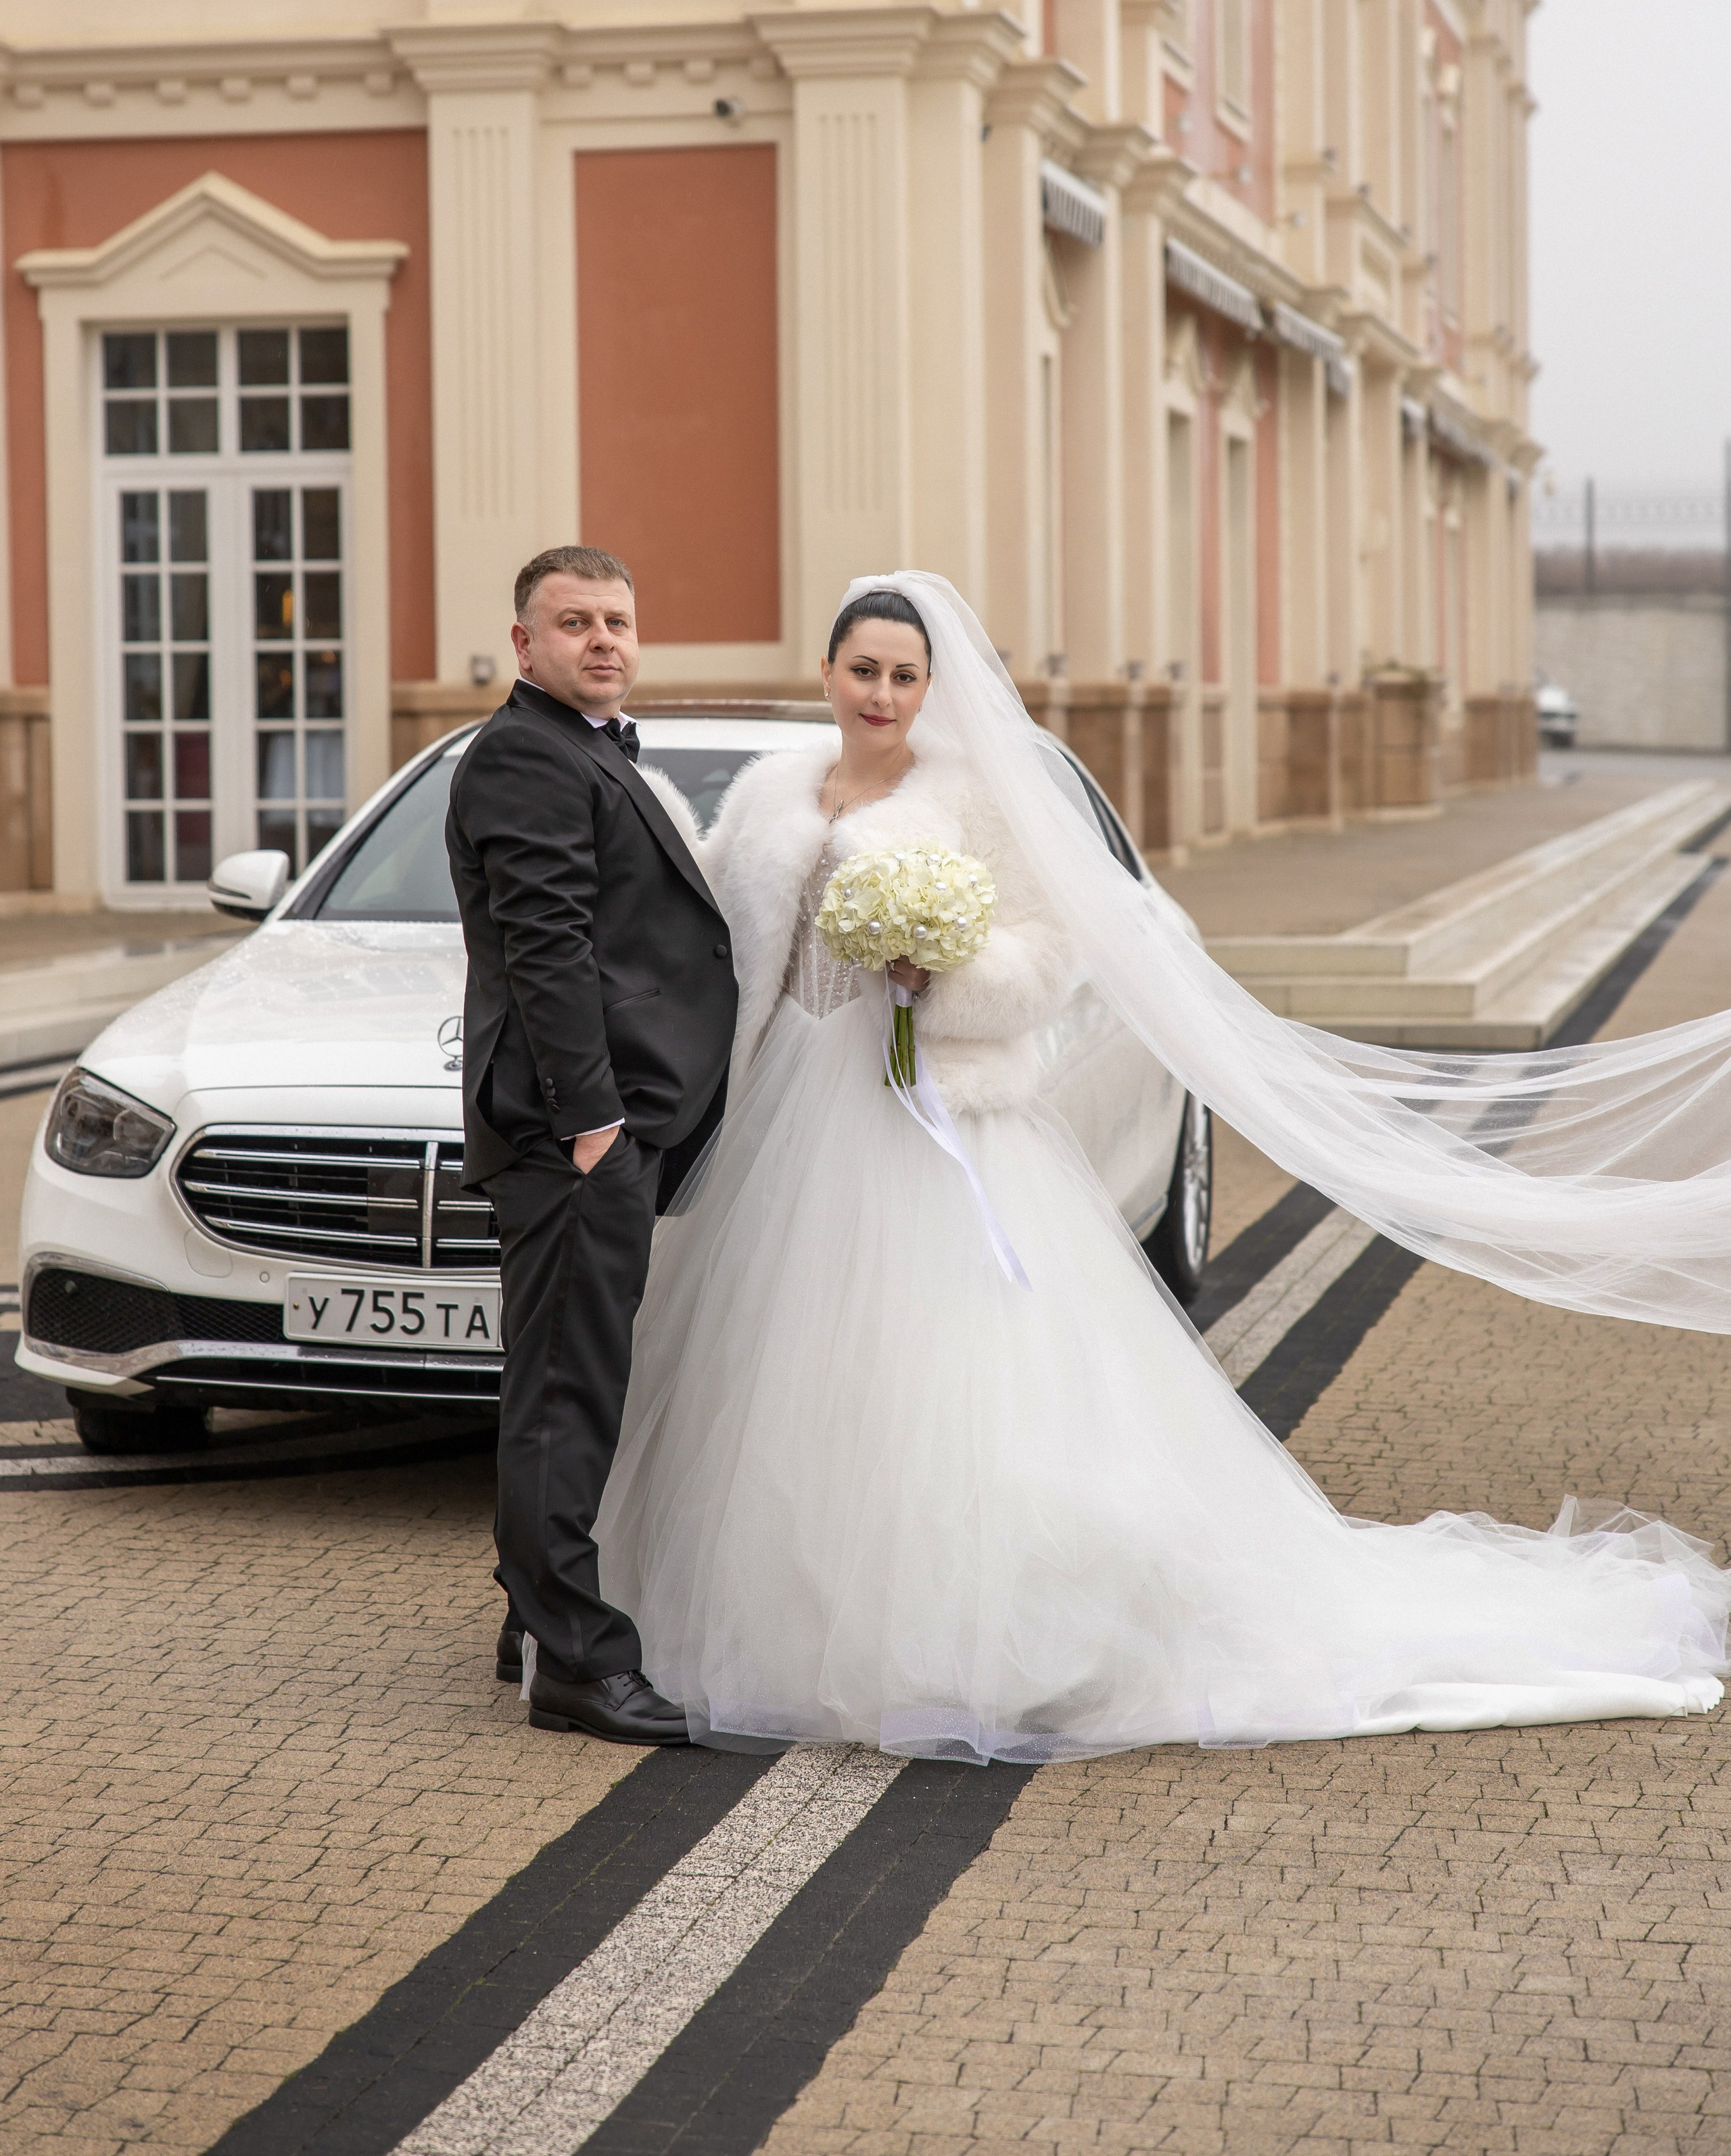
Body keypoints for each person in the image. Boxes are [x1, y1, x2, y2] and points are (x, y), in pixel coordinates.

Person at [594, 573, 1731, 1763]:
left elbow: (1046, 952)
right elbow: (713, 938)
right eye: (863, 670)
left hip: (930, 1114)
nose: (881, 692)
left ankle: (963, 1635)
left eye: (904, 674)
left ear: (931, 689)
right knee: (776, 1373)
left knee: (938, 1379)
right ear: (825, 676)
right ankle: (767, 1612)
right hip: (787, 1121)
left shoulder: (975, 798)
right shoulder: (774, 794)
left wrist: (943, 980)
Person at [446, 544, 736, 1745]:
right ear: (526, 645)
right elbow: (547, 950)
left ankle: (535, 1611)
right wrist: (593, 1127)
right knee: (567, 1399)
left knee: (564, 1384)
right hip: (573, 1134)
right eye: (575, 623)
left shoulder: (586, 749)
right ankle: (576, 1664)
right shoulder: (523, 756)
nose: (604, 640)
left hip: (599, 1128)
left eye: (619, 619)